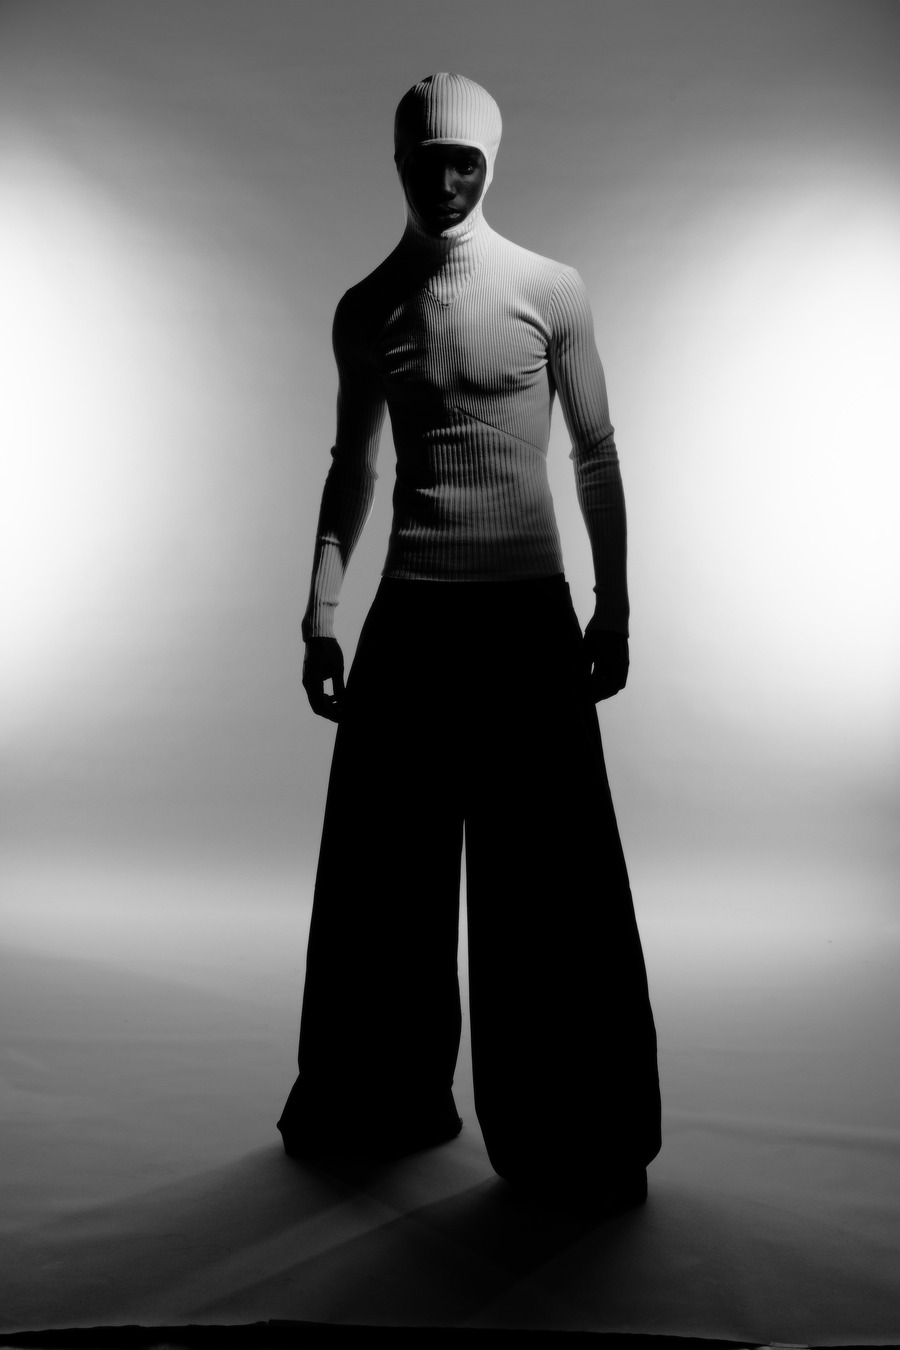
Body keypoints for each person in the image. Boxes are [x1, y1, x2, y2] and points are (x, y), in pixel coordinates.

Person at [278, 72, 661, 1211]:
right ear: (397, 163)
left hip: (528, 617)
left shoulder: (549, 290)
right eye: (425, 160)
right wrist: (321, 611)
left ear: (491, 163)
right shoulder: (367, 307)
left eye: (465, 162)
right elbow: (353, 467)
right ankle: (374, 1102)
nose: (445, 180)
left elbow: (597, 453)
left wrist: (614, 606)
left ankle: (574, 1136)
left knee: (552, 890)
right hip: (412, 617)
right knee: (380, 883)